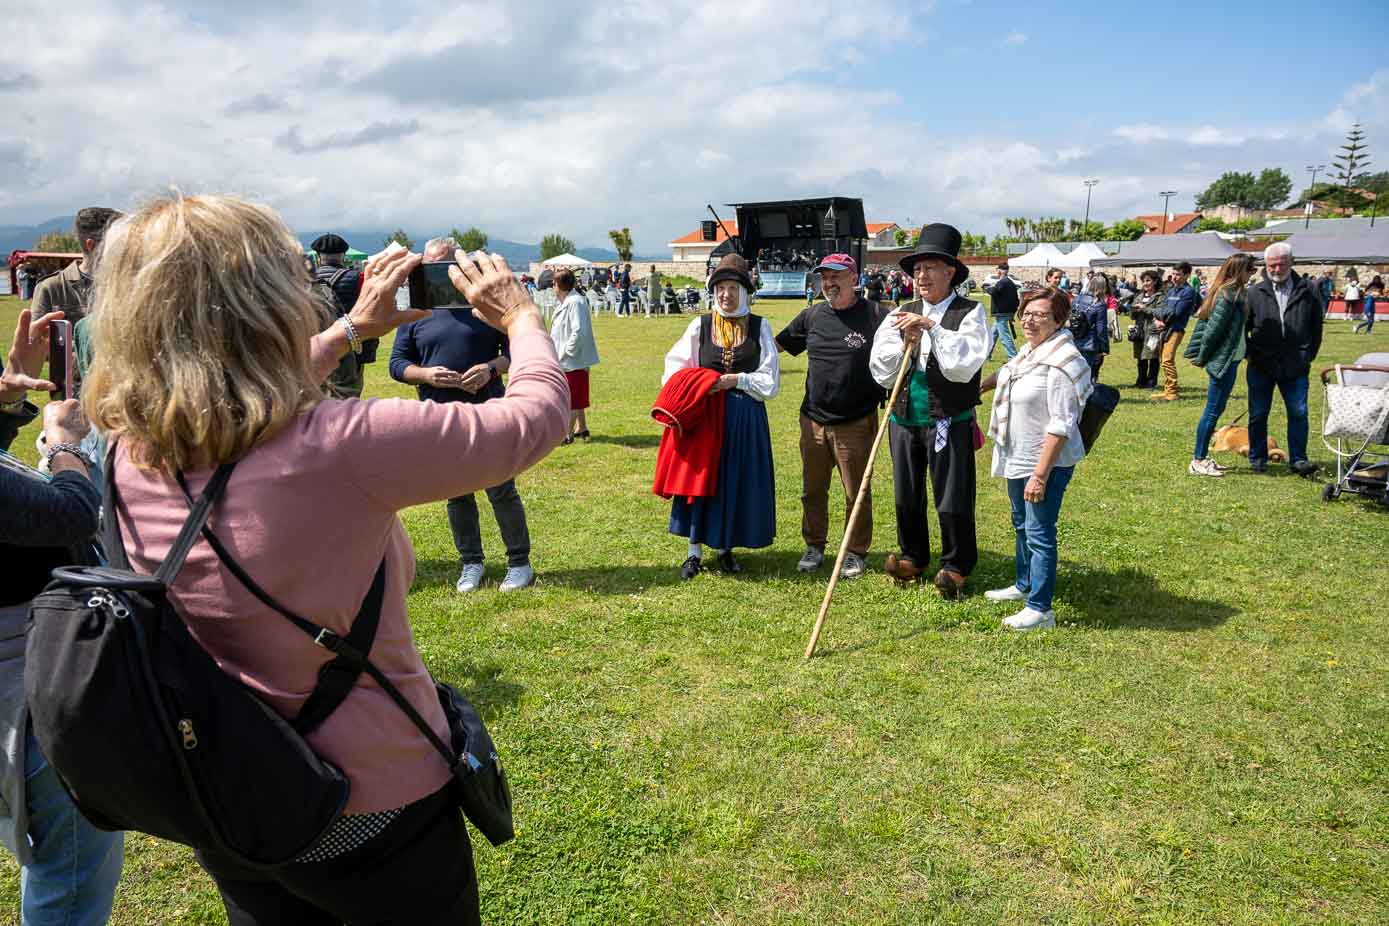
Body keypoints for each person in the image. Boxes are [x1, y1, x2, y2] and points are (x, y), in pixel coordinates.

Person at [81, 195, 568, 924]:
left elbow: (229, 395)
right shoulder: (341, 442)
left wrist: (347, 332)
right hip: (371, 798)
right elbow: (532, 421)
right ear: (266, 302)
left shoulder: (125, 445)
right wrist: (523, 321)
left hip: (230, 792)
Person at [2, 308, 125, 925]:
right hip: (28, 677)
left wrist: (4, 401)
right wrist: (65, 446)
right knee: (71, 864)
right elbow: (72, 514)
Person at [391, 238, 539, 594]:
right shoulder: (417, 313)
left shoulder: (484, 307)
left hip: (488, 412)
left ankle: (520, 563)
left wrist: (490, 369)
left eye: (442, 267)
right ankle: (471, 562)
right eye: (428, 268)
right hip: (441, 416)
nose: (434, 275)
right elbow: (397, 364)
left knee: (500, 489)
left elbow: (515, 351)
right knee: (457, 494)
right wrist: (426, 375)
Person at [869, 224, 989, 598]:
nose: (921, 276)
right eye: (917, 269)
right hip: (904, 417)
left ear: (950, 272)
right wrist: (906, 337)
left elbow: (963, 364)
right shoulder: (901, 313)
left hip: (948, 419)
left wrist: (932, 329)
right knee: (906, 493)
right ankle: (913, 556)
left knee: (951, 496)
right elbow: (882, 367)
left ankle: (956, 565)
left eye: (930, 268)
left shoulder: (970, 313)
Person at [981, 287, 1092, 631]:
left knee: (1039, 531)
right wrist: (977, 389)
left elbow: (1061, 425)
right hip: (1018, 453)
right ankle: (1024, 583)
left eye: (1040, 314)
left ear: (1058, 319)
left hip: (1045, 461)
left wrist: (1040, 475)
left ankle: (1040, 609)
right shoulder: (1032, 352)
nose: (1029, 320)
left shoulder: (1062, 362)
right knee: (1021, 523)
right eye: (1026, 312)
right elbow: (1007, 372)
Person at [662, 255, 779, 579]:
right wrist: (697, 384)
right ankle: (693, 552)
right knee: (700, 481)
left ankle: (726, 547)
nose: (726, 294)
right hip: (705, 418)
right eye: (721, 288)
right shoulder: (699, 326)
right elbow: (674, 367)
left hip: (745, 418)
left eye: (732, 287)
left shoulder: (759, 326)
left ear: (744, 291)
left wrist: (737, 380)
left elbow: (770, 380)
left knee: (733, 481)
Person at [776, 253, 891, 580]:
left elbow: (902, 350)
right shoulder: (811, 316)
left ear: (854, 279)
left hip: (855, 422)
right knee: (813, 489)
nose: (829, 283)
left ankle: (854, 552)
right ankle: (814, 546)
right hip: (812, 419)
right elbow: (776, 347)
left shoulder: (876, 316)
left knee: (856, 492)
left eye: (836, 276)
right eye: (825, 277)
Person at [1245, 242, 1321, 476]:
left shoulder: (1309, 289)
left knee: (1298, 413)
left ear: (1291, 262)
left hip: (1295, 364)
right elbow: (1243, 329)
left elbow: (1316, 326)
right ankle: (1258, 457)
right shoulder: (1254, 292)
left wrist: (1307, 354)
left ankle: (1298, 459)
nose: (1276, 269)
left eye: (1281, 264)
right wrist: (1251, 353)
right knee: (1258, 413)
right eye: (1272, 265)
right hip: (1261, 364)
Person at [1183, 253, 1257, 477]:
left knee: (1217, 408)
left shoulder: (1236, 294)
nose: (1252, 274)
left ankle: (1203, 457)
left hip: (1231, 360)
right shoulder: (1227, 296)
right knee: (1212, 410)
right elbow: (1213, 332)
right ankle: (1198, 459)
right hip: (1222, 361)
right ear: (1239, 271)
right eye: (1249, 270)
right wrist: (1203, 357)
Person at [310, 233, 379, 398]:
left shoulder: (306, 280)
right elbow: (371, 311)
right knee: (349, 397)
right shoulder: (358, 278)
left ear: (319, 257)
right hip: (352, 345)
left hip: (315, 345)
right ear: (343, 256)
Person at [31, 207, 123, 324]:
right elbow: (36, 338)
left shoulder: (126, 284)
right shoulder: (53, 288)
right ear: (93, 246)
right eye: (117, 242)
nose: (124, 248)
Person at [550, 269, 599, 443]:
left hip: (573, 359)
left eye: (554, 284)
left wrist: (565, 353)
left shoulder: (575, 302)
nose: (552, 288)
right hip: (567, 358)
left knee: (571, 397)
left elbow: (579, 331)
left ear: (559, 285)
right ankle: (582, 427)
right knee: (574, 394)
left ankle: (566, 434)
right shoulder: (567, 301)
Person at [1151, 261, 1198, 401]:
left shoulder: (1189, 292)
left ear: (1187, 275)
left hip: (1176, 330)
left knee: (1167, 360)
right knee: (1163, 359)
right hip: (1163, 328)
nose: (1175, 277)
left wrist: (1161, 315)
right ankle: (1167, 390)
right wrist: (1157, 320)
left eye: (1178, 274)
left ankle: (1172, 392)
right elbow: (1160, 308)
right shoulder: (1171, 290)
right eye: (1173, 273)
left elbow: (1175, 313)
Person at [1070, 273, 1111, 381]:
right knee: (1088, 375)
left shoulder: (1077, 299)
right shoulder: (1100, 304)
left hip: (1074, 340)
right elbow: (1101, 329)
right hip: (1090, 344)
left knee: (1074, 372)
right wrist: (1104, 348)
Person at [1129, 269, 1165, 389]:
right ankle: (1141, 380)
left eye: (1148, 281)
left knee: (1152, 356)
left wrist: (1144, 308)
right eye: (1144, 281)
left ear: (1155, 282)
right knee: (1140, 357)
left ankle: (1151, 382)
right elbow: (1132, 315)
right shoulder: (1139, 296)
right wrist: (1133, 310)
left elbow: (1159, 313)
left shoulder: (1159, 297)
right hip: (1139, 331)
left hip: (1153, 330)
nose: (1145, 283)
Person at [984, 262, 1019, 360]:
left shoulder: (1002, 282)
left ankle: (1013, 357)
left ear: (999, 271)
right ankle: (987, 355)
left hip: (1002, 313)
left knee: (1004, 337)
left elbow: (994, 291)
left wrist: (987, 289)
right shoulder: (1010, 283)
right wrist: (1013, 313)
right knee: (993, 335)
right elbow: (1016, 300)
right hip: (1006, 313)